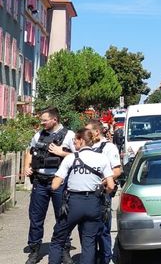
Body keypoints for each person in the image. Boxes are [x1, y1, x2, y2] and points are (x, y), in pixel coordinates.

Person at [48, 128, 115, 264]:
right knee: (89, 242)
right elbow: (111, 186)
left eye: (75, 141)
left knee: (58, 239)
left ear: (81, 140)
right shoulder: (102, 158)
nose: (74, 143)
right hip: (93, 203)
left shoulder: (71, 158)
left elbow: (55, 185)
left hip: (73, 203)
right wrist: (102, 191)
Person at [24, 107, 76, 264]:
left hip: (59, 181)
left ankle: (64, 249)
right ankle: (34, 250)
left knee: (63, 216)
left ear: (54, 119)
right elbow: (30, 151)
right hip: (40, 181)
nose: (42, 122)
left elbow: (79, 155)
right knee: (36, 217)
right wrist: (26, 166)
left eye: (45, 120)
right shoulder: (39, 134)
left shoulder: (69, 135)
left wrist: (62, 153)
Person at [86, 119, 122, 264]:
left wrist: (104, 180)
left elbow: (117, 170)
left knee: (103, 230)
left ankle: (105, 258)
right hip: (86, 194)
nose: (85, 134)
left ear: (96, 132)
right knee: (88, 230)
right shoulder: (86, 147)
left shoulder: (109, 147)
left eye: (88, 131)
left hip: (102, 193)